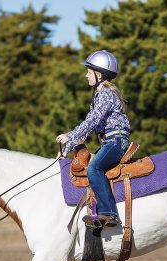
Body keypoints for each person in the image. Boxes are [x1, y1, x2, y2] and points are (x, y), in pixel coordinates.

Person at [56, 50, 130, 228]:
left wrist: (70, 136)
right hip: (109, 142)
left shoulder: (105, 93)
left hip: (116, 142)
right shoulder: (99, 94)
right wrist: (66, 150)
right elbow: (91, 122)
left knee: (95, 168)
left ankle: (110, 214)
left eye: (89, 72)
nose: (86, 75)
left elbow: (92, 121)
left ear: (99, 74)